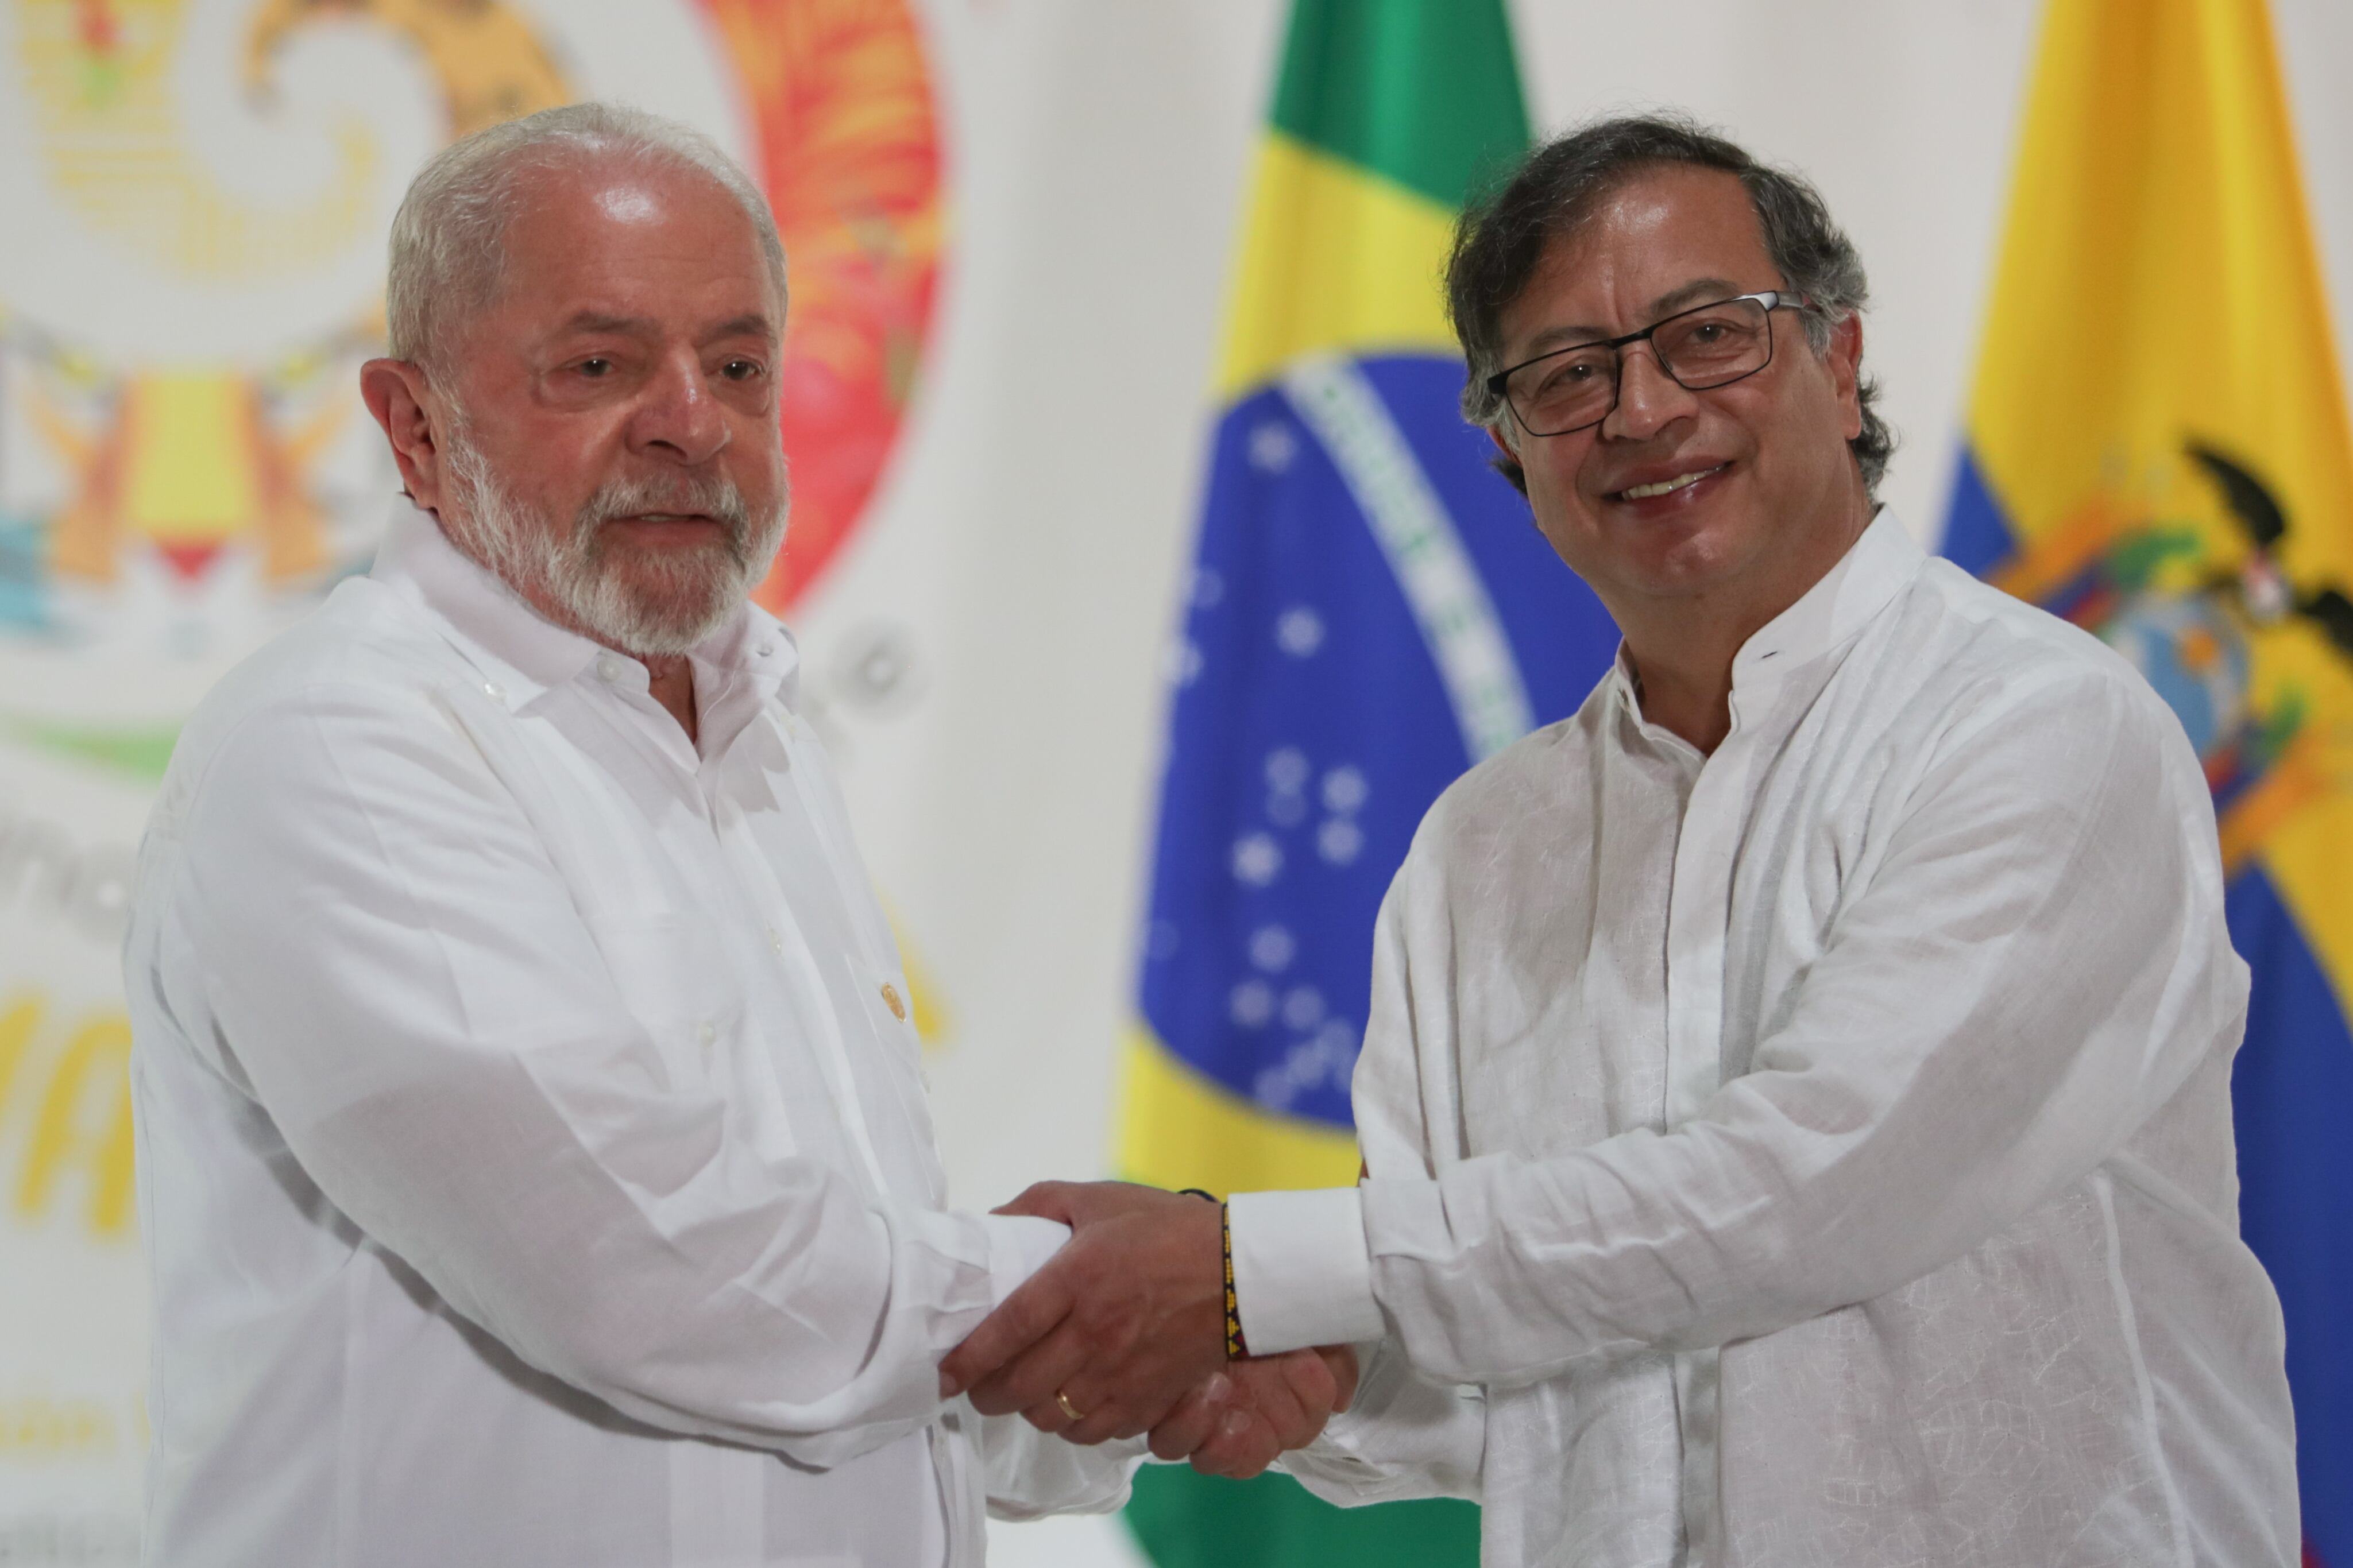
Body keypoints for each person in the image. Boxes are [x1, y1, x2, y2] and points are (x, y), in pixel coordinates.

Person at [941, 115, 2302, 1566]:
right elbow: (1523, 1354)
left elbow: (1801, 1193)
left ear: (1839, 362)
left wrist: (1238, 1271)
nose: (1643, 411)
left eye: (1708, 336)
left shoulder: (2034, 726)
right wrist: (1319, 1370)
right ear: (1509, 451)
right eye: (1568, 375)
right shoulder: (1480, 853)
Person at [123, 102, 1347, 1568]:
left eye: (739, 364)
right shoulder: (338, 744)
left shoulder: (756, 739)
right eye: (599, 365)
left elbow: (836, 1329)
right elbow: (649, 1271)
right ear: (414, 426)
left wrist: (1156, 1379)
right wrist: (1180, 1295)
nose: (691, 421)